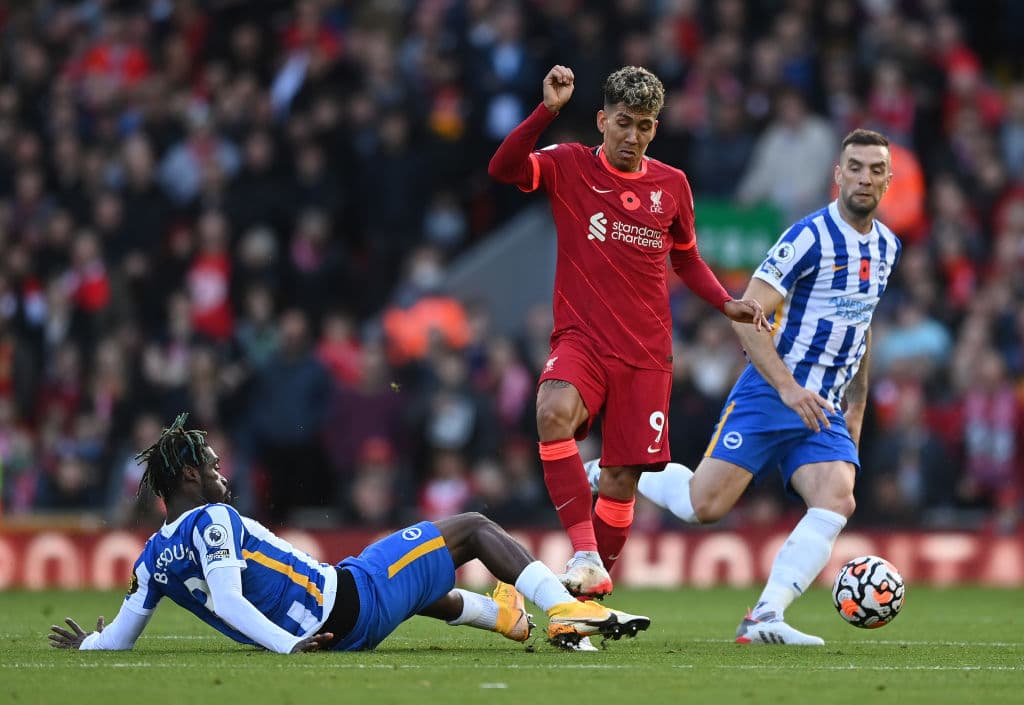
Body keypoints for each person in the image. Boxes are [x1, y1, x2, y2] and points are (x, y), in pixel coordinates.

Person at [586, 128, 901, 645]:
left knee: (836, 498)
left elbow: (862, 326)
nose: (865, 177)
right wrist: (786, 388)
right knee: (702, 507)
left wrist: (858, 406)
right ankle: (613, 469)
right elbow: (745, 316)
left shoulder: (887, 247)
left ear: (887, 181)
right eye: (856, 167)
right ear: (837, 174)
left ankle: (765, 616)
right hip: (773, 393)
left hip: (823, 406)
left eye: (876, 170)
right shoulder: (808, 237)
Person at [488, 64, 768, 598]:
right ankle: (585, 553)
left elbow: (687, 260)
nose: (632, 136)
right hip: (583, 338)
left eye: (644, 126)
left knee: (620, 480)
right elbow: (503, 169)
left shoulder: (673, 185)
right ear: (601, 120)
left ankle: (589, 597)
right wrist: (546, 111)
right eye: (623, 123)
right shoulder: (568, 164)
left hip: (646, 353)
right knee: (552, 414)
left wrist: (725, 302)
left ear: (655, 129)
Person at [47, 414, 650, 654]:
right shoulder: (214, 520)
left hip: (339, 617)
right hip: (344, 603)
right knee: (470, 527)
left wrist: (87, 649)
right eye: (211, 465)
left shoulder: (154, 555)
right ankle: (565, 609)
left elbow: (121, 637)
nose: (220, 475)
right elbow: (228, 598)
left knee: (406, 577)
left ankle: (503, 616)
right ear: (187, 475)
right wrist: (286, 648)